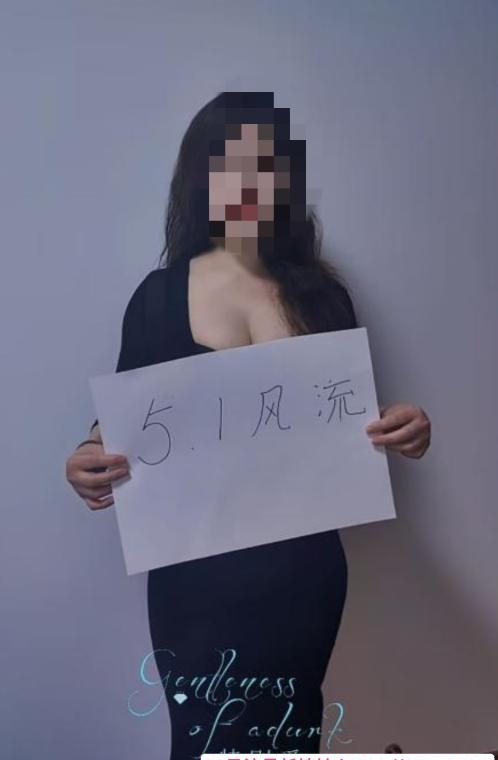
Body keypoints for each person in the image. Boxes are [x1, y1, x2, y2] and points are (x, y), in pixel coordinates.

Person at [65, 91, 431, 758]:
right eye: (228, 167)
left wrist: (401, 426)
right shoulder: (158, 298)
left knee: (292, 736)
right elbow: (119, 424)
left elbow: (350, 424)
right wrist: (88, 456)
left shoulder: (323, 296)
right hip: (194, 576)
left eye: (265, 166)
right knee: (204, 740)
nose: (248, 184)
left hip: (304, 571)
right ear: (200, 180)